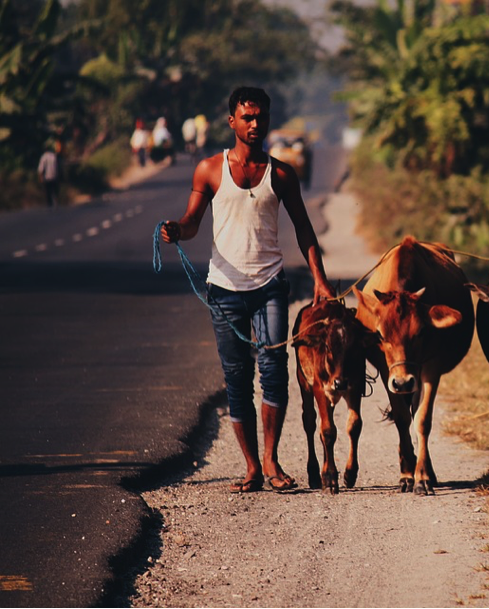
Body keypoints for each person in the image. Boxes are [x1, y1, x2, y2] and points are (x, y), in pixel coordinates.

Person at [159, 87, 335, 494]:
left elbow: (304, 229)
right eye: (247, 117)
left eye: (261, 117)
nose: (255, 124)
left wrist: (321, 279)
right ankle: (252, 467)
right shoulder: (209, 169)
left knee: (273, 374)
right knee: (237, 378)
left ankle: (272, 460)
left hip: (270, 285)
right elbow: (191, 221)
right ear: (232, 121)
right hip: (224, 290)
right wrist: (175, 231)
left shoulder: (282, 174)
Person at [37, 141, 61, 208]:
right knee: (54, 191)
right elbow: (57, 167)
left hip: (47, 177)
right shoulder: (54, 156)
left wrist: (41, 177)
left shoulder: (44, 157)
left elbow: (41, 168)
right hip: (54, 176)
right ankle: (55, 202)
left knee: (48, 192)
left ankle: (50, 205)